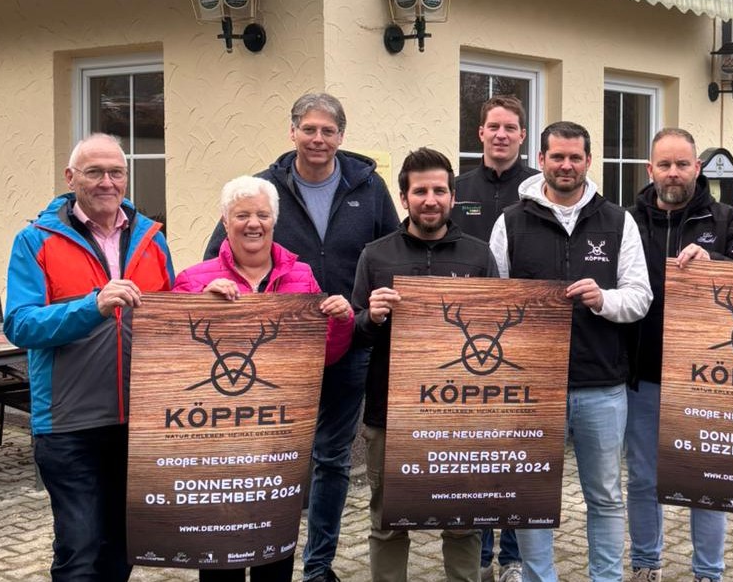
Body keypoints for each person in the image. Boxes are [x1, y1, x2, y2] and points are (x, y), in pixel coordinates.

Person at [205, 92, 400, 582]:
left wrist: (369, 313)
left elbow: (391, 253)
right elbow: (216, 255)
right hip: (273, 356)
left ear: (341, 137)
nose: (318, 139)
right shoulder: (263, 189)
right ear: (292, 131)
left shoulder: (369, 186)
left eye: (328, 131)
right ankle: (257, 550)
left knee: (332, 460)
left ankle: (318, 566)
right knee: (270, 456)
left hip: (347, 341)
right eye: (308, 129)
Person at [4, 133, 175, 581]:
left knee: (122, 549)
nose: (106, 182)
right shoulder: (35, 240)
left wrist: (209, 299)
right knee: (79, 548)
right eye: (94, 172)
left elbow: (171, 314)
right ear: (70, 177)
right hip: (68, 423)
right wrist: (92, 306)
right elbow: (20, 324)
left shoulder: (151, 237)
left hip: (136, 421)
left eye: (116, 172)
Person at [489, 121, 652, 582]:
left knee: (604, 496)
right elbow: (495, 302)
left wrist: (604, 300)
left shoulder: (618, 221)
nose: (566, 165)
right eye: (557, 156)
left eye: (575, 157)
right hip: (532, 387)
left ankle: (606, 578)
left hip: (601, 384)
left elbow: (640, 297)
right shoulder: (512, 222)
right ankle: (540, 577)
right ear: (540, 159)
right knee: (532, 495)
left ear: (588, 161)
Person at [176, 175, 357, 582]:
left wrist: (342, 322)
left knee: (273, 555)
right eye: (242, 215)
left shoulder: (303, 277)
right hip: (216, 442)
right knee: (219, 557)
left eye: (262, 214)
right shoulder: (194, 280)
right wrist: (198, 306)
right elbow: (174, 356)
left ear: (275, 221)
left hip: (276, 441)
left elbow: (324, 355)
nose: (252, 223)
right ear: (225, 221)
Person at [352, 148, 496, 582]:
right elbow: (355, 332)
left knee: (463, 520)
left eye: (438, 190)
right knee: (387, 522)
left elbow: (498, 337)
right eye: (420, 191)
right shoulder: (375, 256)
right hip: (389, 413)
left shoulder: (479, 256)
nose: (429, 199)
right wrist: (371, 316)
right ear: (403, 197)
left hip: (461, 414)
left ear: (452, 197)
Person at [625, 128, 733, 582]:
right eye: (664, 164)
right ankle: (646, 563)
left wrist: (716, 264)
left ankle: (708, 572)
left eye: (683, 164)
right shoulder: (628, 221)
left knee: (707, 479)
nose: (674, 173)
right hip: (643, 374)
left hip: (706, 378)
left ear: (697, 168)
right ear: (650, 170)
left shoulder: (725, 220)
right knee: (643, 479)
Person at [454, 95, 537, 582]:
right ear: (480, 133)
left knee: (513, 449)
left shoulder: (538, 187)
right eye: (493, 127)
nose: (501, 134)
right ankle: (478, 551)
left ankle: (511, 556)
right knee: (475, 445)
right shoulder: (458, 187)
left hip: (521, 334)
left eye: (510, 127)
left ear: (522, 137)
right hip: (467, 338)